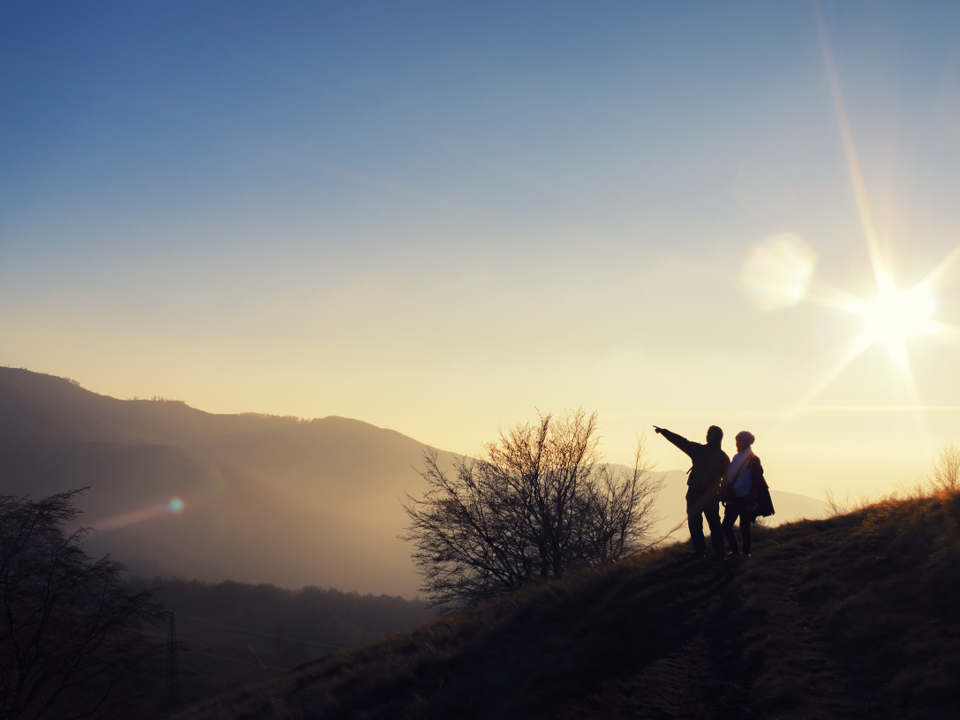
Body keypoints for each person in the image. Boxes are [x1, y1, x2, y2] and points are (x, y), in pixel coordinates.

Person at [654, 425, 729, 559]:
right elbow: (681, 442)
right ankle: (701, 552)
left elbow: (727, 479)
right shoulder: (702, 451)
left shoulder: (720, 457)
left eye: (710, 433)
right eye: (707, 433)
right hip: (696, 493)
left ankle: (718, 552)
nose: (707, 436)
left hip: (707, 496)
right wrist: (665, 432)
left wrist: (722, 493)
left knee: (713, 524)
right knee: (696, 524)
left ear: (717, 437)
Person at [720, 431, 764, 559]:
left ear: (745, 441)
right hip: (734, 497)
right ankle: (738, 553)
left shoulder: (753, 459)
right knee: (728, 526)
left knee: (743, 527)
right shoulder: (737, 457)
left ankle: (743, 553)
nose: (736, 443)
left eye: (738, 440)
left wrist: (751, 502)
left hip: (744, 498)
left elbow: (756, 482)